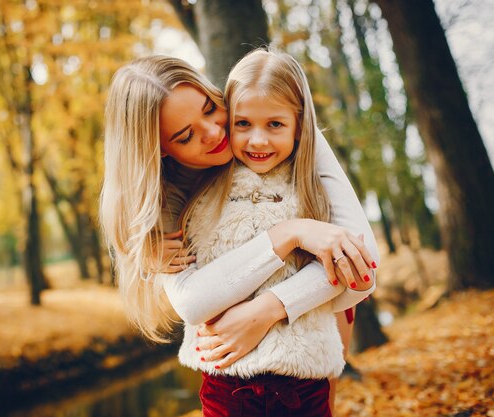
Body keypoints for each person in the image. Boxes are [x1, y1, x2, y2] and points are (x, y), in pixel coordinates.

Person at [100, 53, 380, 414]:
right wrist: (288, 234)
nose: (216, 133)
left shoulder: (264, 118)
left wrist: (267, 309)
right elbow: (193, 301)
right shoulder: (163, 195)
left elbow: (362, 260)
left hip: (313, 325)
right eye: (186, 136)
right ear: (160, 151)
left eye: (209, 108)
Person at [176, 47, 375, 416]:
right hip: (225, 384)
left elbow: (358, 271)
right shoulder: (205, 189)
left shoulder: (312, 190)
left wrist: (352, 283)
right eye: (243, 124)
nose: (258, 141)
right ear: (229, 121)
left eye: (275, 124)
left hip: (302, 381)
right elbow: (189, 284)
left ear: (300, 126)